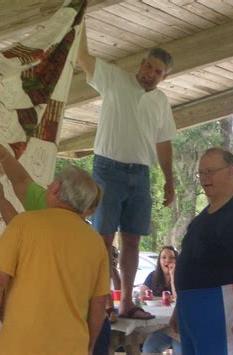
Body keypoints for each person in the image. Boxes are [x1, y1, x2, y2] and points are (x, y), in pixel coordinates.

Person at [0, 126, 111, 355]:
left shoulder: (26, 223)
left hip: (20, 346)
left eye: (51, 184)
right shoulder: (96, 243)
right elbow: (99, 303)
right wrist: (88, 347)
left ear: (55, 188)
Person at [77, 25, 176, 319]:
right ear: (141, 63)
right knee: (103, 238)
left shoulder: (160, 101)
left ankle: (127, 303)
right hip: (108, 169)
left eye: (157, 71)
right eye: (147, 66)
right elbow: (82, 56)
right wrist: (81, 18)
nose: (149, 73)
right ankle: (102, 299)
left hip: (141, 174)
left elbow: (164, 141)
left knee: (132, 239)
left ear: (164, 77)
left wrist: (170, 181)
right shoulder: (114, 79)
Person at [173, 148, 233, 355]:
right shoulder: (200, 220)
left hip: (222, 305)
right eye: (201, 173)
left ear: (230, 171)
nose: (204, 178)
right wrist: (178, 309)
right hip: (191, 308)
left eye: (210, 171)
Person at [139, 246, 181, 354]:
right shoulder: (153, 275)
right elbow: (142, 294)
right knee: (148, 349)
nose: (167, 260)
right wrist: (166, 298)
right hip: (161, 327)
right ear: (159, 261)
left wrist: (173, 276)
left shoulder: (181, 276)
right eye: (164, 257)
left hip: (178, 326)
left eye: (171, 257)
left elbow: (178, 298)